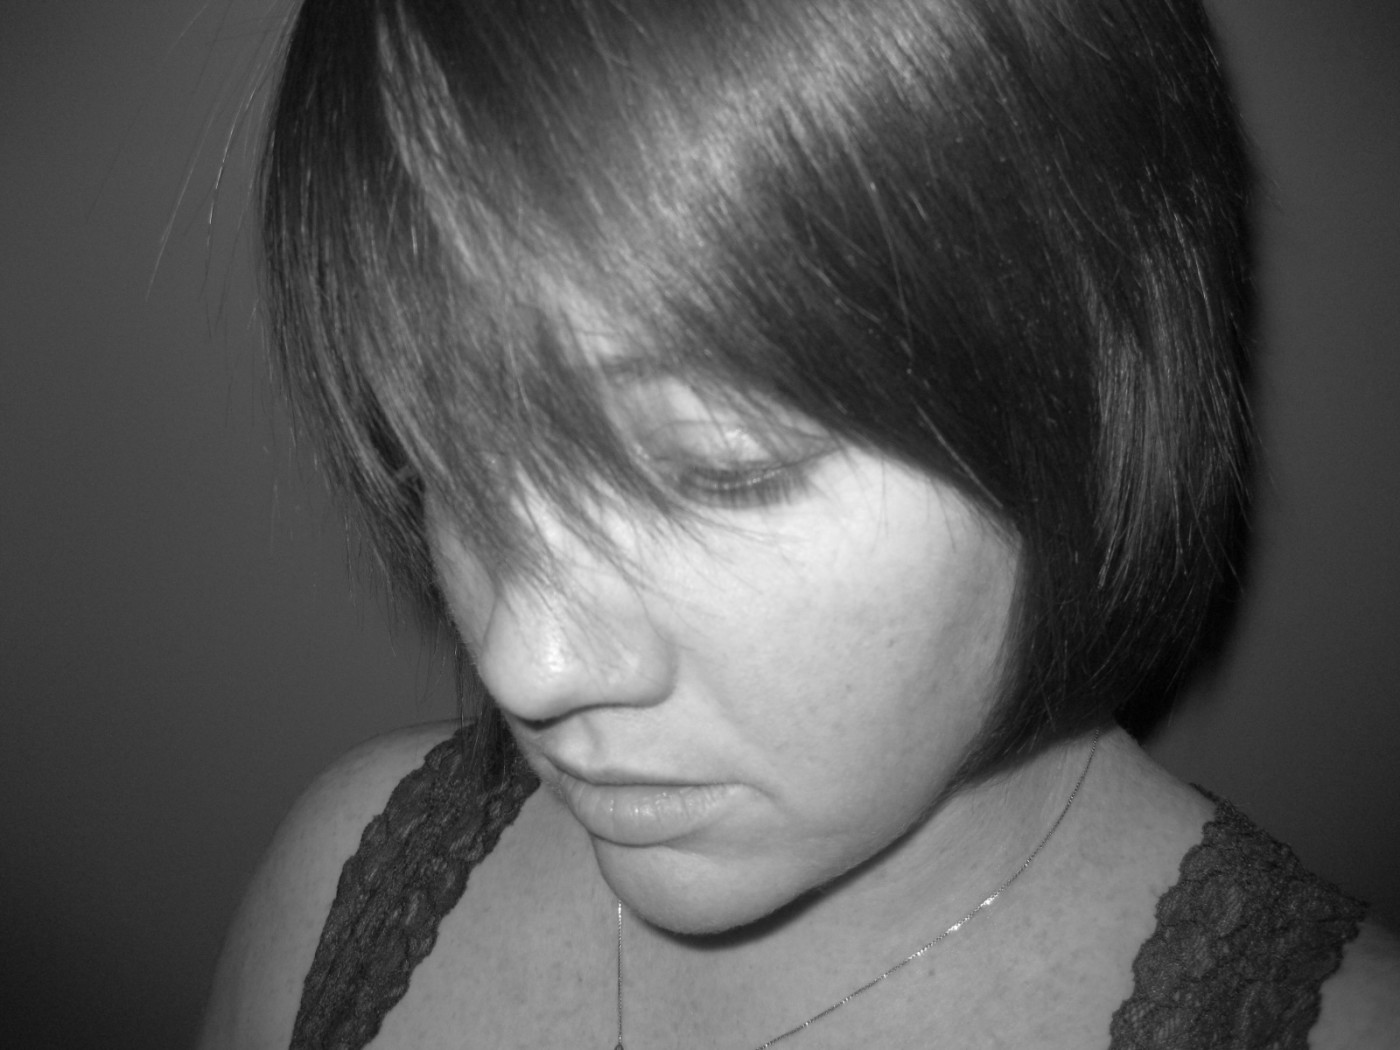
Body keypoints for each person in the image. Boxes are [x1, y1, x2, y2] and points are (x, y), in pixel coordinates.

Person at [200, 0, 1400, 1046]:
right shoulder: (344, 876)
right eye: (445, 463)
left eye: (718, 468)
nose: (524, 664)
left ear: (1085, 391)